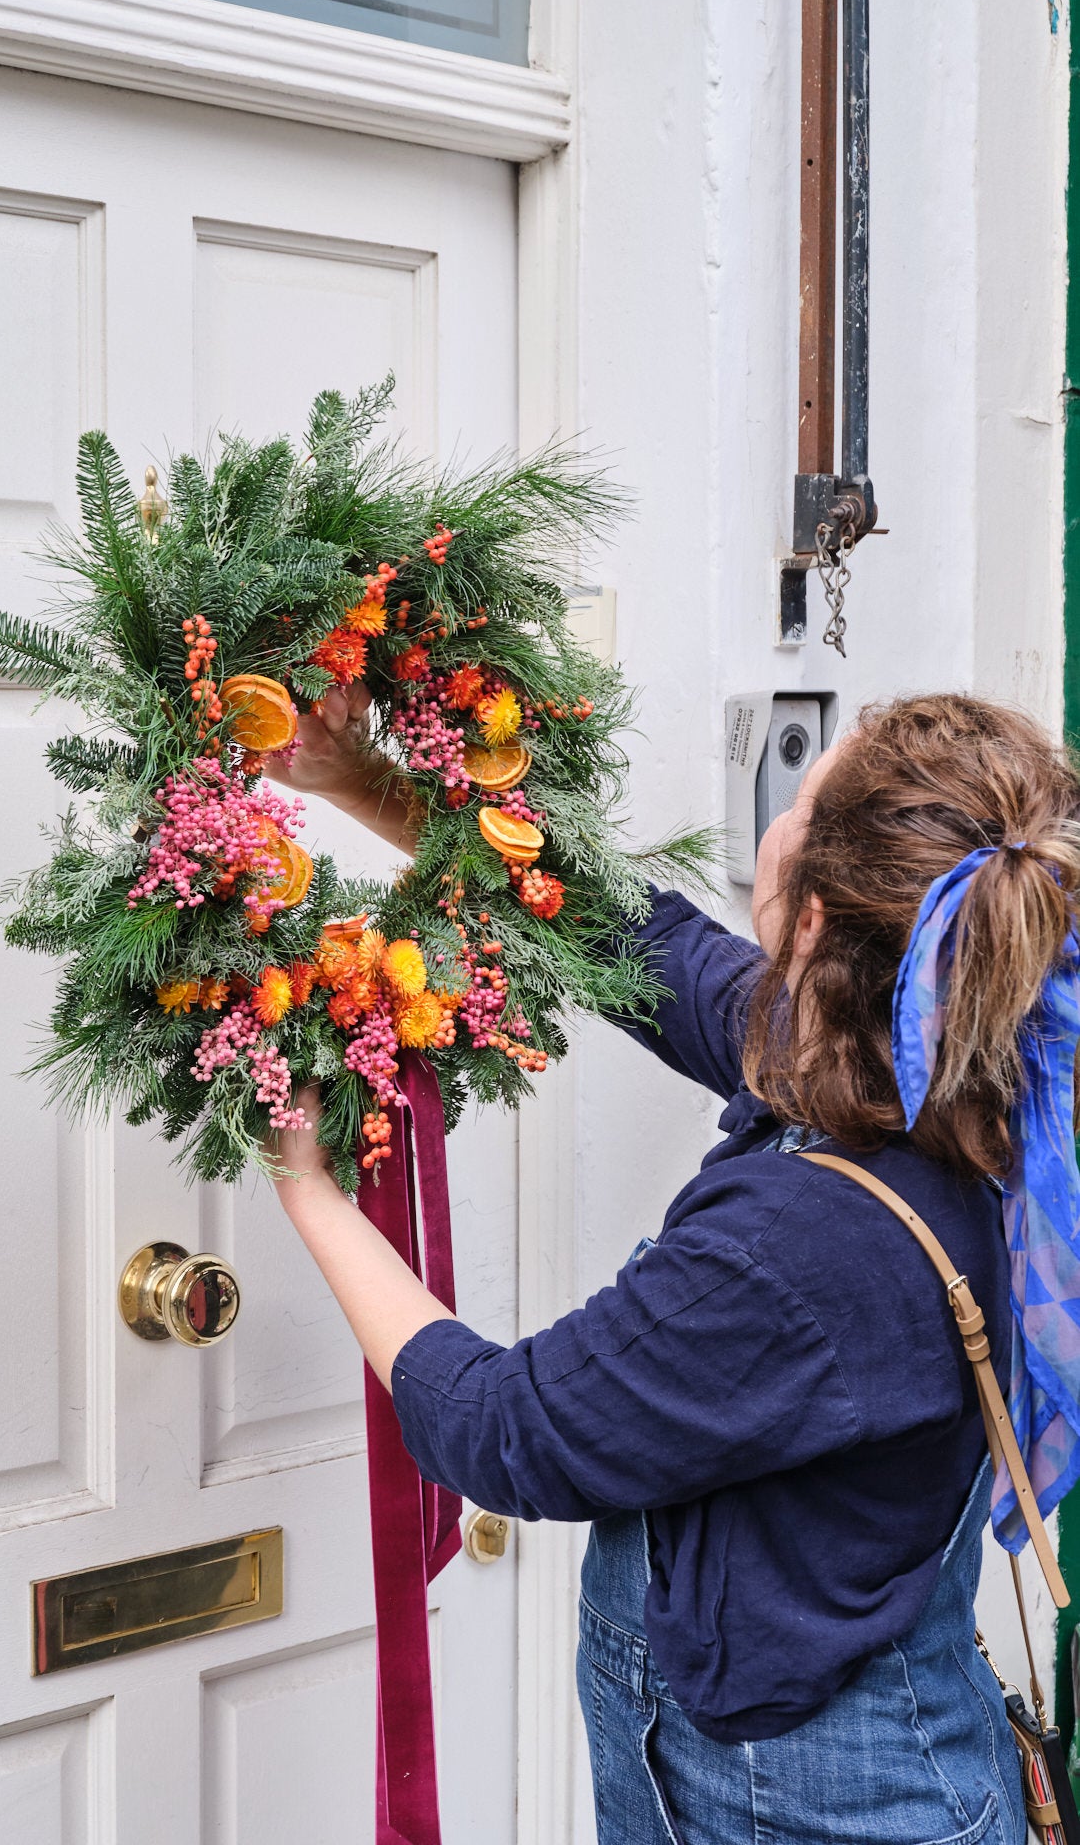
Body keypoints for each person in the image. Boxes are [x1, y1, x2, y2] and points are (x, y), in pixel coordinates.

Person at [266, 688, 1080, 1845]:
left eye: (802, 802)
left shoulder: (796, 1246)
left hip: (814, 1803)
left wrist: (308, 1185)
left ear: (807, 928)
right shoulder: (945, 1071)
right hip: (851, 1734)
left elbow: (504, 1426)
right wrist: (358, 777)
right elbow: (634, 938)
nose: (783, 818)